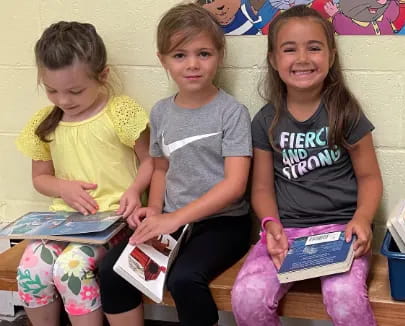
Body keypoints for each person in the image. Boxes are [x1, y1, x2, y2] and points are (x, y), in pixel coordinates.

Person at [98, 4, 252, 326]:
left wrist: (174, 218)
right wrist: (154, 209)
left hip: (223, 225)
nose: (193, 64)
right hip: (173, 223)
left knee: (184, 279)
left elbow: (235, 185)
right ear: (163, 60)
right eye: (180, 55)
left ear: (220, 55)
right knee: (113, 270)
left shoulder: (231, 112)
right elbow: (161, 168)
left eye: (204, 54)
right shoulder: (161, 112)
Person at [231, 5, 383, 326]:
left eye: (314, 48)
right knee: (247, 296)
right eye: (289, 49)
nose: (302, 58)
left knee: (345, 299)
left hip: (340, 232)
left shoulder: (346, 114)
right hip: (284, 233)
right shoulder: (265, 121)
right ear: (273, 60)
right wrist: (271, 224)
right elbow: (260, 188)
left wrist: (363, 219)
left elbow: (369, 178)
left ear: (330, 55)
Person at [15, 22, 152, 326]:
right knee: (30, 270)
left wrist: (133, 191)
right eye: (52, 90)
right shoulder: (45, 123)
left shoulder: (121, 112)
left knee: (72, 269)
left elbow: (150, 162)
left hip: (115, 222)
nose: (63, 100)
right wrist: (62, 188)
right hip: (65, 221)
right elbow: (40, 178)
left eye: (75, 90)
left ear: (102, 75)